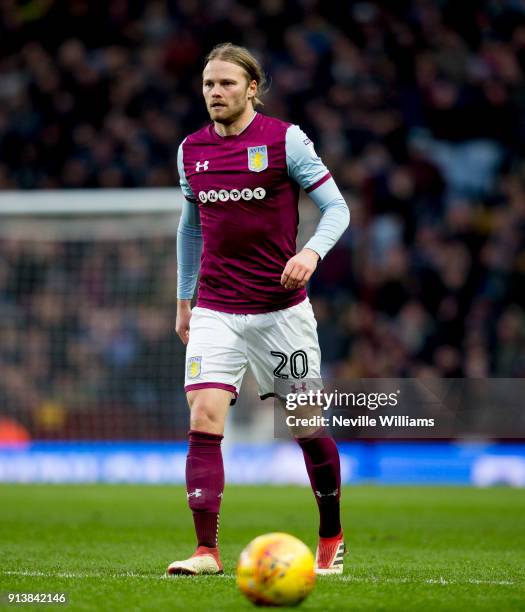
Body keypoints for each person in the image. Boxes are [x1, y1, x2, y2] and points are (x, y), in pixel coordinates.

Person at [167, 43, 350, 576]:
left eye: (226, 83)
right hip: (216, 308)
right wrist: (184, 301)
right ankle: (206, 551)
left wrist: (311, 252)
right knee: (203, 414)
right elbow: (190, 227)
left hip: (281, 312)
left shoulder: (284, 140)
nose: (215, 93)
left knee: (306, 425)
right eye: (208, 85)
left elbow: (336, 207)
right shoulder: (190, 151)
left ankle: (332, 535)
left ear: (252, 88)